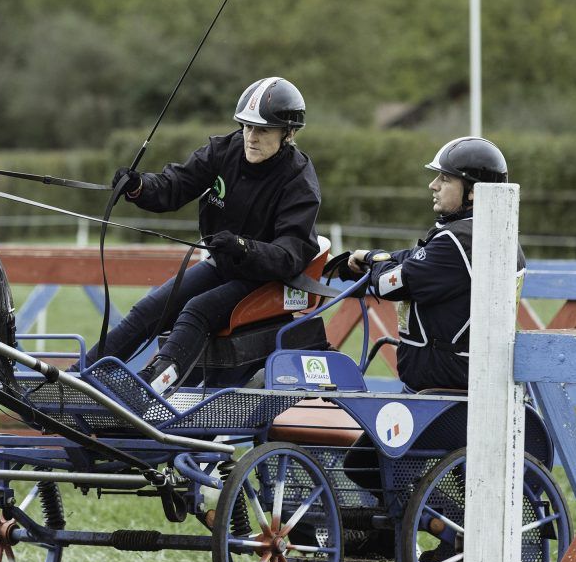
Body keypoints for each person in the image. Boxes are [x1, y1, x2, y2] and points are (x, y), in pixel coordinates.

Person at [76, 77, 322, 390]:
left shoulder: (299, 180)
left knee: (196, 311)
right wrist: (140, 186)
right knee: (152, 308)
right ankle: (79, 378)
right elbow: (175, 185)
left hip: (265, 280)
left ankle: (149, 391)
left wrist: (243, 247)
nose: (251, 137)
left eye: (262, 130)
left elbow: (290, 254)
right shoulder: (225, 150)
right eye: (247, 127)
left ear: (288, 133)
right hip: (224, 266)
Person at [345, 135, 525, 392]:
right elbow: (418, 258)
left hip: (443, 392)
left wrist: (372, 261)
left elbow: (389, 285)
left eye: (445, 178)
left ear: (473, 190)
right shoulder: (496, 233)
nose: (433, 185)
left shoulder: (457, 240)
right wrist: (377, 256)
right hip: (477, 382)